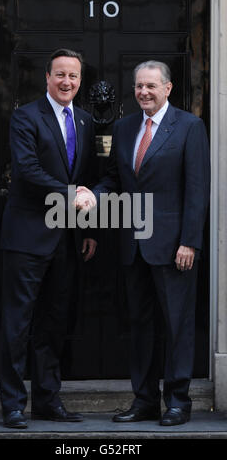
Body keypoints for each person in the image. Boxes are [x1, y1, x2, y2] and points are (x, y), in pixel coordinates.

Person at [75, 60, 210, 426]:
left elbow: (197, 191)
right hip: (132, 245)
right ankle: (145, 401)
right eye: (138, 86)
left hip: (173, 248)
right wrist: (93, 195)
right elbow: (115, 178)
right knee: (140, 325)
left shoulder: (189, 127)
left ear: (167, 88)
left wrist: (190, 242)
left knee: (177, 325)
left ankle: (178, 402)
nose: (143, 93)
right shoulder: (124, 127)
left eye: (151, 86)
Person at [0, 48, 97, 428]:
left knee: (54, 322)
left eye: (73, 76)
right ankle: (11, 404)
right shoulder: (26, 117)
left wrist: (87, 230)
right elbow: (27, 171)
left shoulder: (86, 122)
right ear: (47, 77)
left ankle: (46, 400)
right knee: (18, 323)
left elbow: (86, 177)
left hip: (68, 240)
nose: (66, 82)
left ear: (79, 80)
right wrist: (71, 195)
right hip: (26, 237)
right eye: (60, 75)